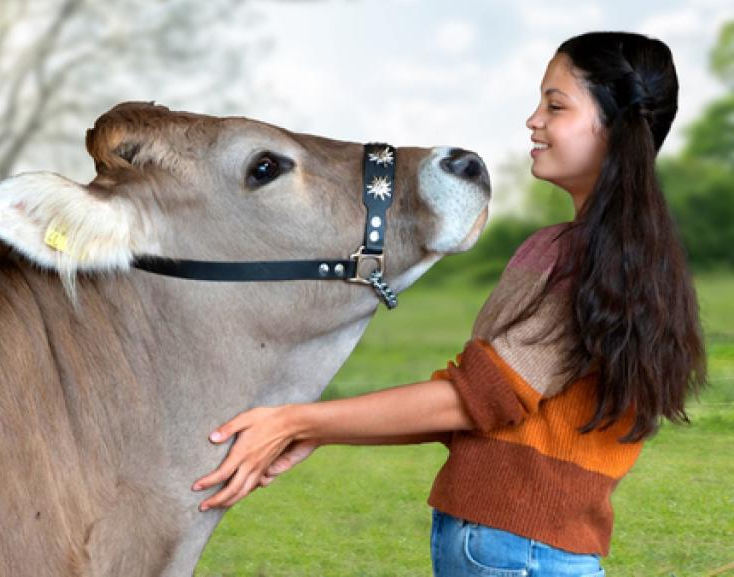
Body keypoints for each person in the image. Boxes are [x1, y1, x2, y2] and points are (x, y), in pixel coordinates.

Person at [192, 31, 706, 577]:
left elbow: (476, 400)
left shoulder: (575, 257)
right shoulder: (643, 267)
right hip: (531, 550)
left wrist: (293, 420)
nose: (533, 121)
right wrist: (315, 428)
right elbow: (476, 406)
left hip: (515, 552)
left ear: (614, 128)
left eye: (555, 105)